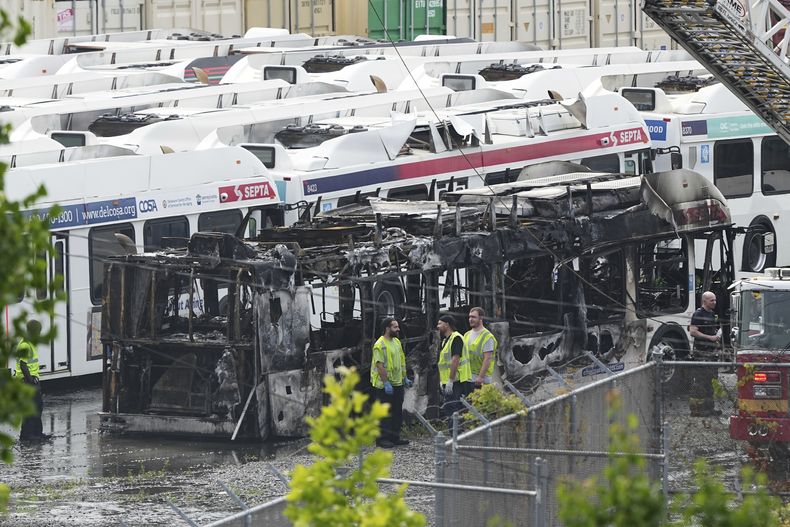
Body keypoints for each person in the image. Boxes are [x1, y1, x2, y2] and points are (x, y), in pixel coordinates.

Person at [370, 317, 412, 448]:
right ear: (387, 328)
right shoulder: (379, 345)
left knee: (396, 411)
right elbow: (380, 366)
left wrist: (404, 377)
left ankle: (395, 437)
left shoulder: (397, 342)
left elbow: (401, 361)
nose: (398, 329)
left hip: (397, 382)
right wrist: (386, 382)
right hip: (384, 385)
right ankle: (382, 439)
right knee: (385, 412)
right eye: (395, 327)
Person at [688, 291, 721, 417]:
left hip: (712, 353)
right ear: (705, 301)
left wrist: (717, 334)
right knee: (701, 381)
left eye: (715, 300)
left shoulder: (712, 314)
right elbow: (693, 332)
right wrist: (710, 338)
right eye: (712, 300)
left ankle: (710, 408)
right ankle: (697, 410)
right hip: (701, 353)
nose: (714, 302)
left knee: (711, 381)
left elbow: (712, 329)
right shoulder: (698, 314)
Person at [437, 314, 472, 416]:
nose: (437, 326)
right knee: (449, 409)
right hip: (449, 381)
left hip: (456, 381)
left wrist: (450, 381)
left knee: (454, 409)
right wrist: (441, 381)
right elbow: (443, 364)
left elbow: (455, 360)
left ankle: (457, 431)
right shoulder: (444, 341)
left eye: (440, 324)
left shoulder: (456, 338)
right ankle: (454, 431)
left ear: (447, 325)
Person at [16, 320, 45, 441]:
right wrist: (31, 382)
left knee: (38, 407)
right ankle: (28, 436)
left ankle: (37, 434)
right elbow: (23, 365)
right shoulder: (25, 345)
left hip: (32, 379)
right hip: (27, 382)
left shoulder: (31, 343)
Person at [465, 307, 498, 388]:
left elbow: (487, 359)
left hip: (481, 380)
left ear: (481, 318)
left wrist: (481, 377)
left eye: (473, 317)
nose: (470, 319)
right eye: (469, 317)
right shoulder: (466, 335)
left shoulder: (487, 337)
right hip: (468, 377)